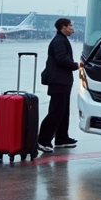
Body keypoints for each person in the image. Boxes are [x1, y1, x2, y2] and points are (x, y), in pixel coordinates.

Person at [37, 18, 81, 153]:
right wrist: (77, 65)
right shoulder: (58, 41)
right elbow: (62, 59)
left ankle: (62, 138)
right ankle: (42, 140)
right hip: (58, 81)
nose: (73, 28)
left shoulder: (62, 40)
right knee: (56, 112)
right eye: (70, 26)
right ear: (63, 27)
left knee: (64, 111)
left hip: (63, 81)